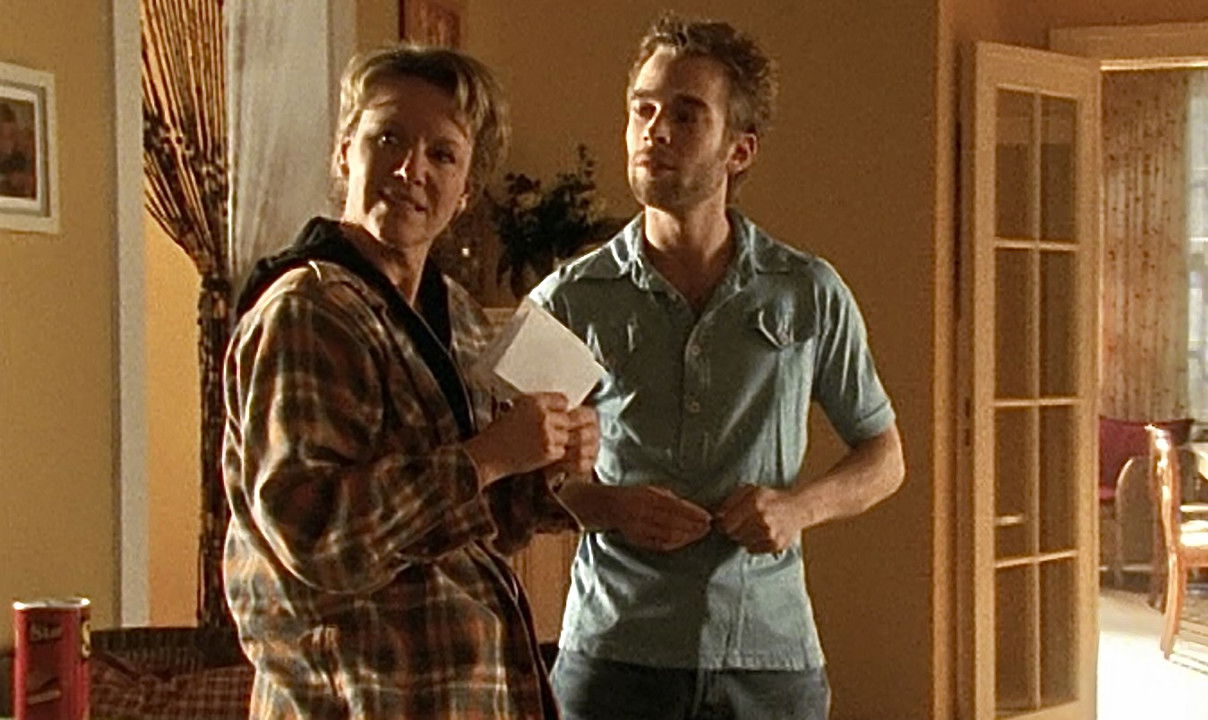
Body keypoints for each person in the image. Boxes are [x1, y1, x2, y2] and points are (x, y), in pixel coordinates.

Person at [529, 14, 905, 720]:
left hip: (769, 659)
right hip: (614, 657)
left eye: (685, 114)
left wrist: (798, 509)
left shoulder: (806, 292)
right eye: (642, 110)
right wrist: (609, 506)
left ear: (739, 149)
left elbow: (884, 456)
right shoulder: (568, 300)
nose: (655, 130)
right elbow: (514, 478)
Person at [222, 45, 596, 719]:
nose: (410, 170)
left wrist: (544, 466)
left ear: (466, 191)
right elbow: (314, 538)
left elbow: (476, 529)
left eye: (442, 154)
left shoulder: (457, 312)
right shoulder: (308, 310)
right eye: (388, 139)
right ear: (345, 154)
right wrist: (489, 457)